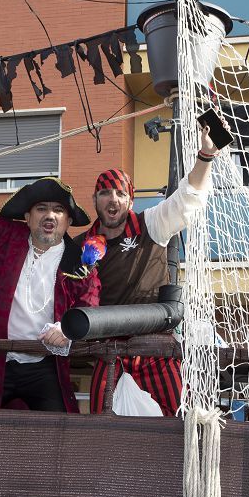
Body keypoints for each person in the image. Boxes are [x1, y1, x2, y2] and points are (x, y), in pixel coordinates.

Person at [0, 130, 100, 412]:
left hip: (44, 364)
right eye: (41, 209)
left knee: (59, 434)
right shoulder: (8, 235)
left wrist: (67, 330)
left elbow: (89, 306)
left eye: (58, 210)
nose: (50, 215)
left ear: (67, 221)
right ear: (27, 218)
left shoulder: (79, 262)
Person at [77, 124, 219, 416]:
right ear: (94, 201)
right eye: (104, 193)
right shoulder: (80, 245)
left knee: (179, 422)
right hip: (108, 350)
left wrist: (205, 155)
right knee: (97, 429)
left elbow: (186, 200)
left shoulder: (150, 224)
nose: (112, 199)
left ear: (130, 199)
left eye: (119, 192)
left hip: (156, 347)